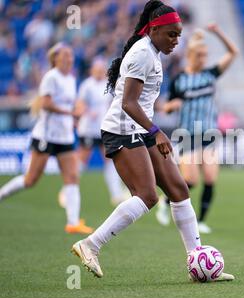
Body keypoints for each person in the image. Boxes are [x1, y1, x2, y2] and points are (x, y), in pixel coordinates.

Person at [70, 0, 234, 281]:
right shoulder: (143, 54)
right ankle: (90, 244)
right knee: (147, 196)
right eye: (171, 34)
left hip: (141, 129)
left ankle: (197, 264)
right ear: (154, 29)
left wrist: (151, 128)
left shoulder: (153, 51)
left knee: (179, 190)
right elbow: (128, 103)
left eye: (179, 34)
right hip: (123, 130)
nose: (176, 40)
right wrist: (156, 131)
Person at [0, 43, 94, 235]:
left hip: (65, 136)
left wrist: (74, 117)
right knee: (31, 180)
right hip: (46, 137)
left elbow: (68, 104)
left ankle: (73, 223)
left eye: (71, 55)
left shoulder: (70, 78)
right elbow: (47, 104)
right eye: (66, 55)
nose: (70, 58)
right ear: (56, 59)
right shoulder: (51, 77)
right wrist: (70, 113)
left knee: (72, 176)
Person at [156, 24, 239, 234]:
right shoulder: (179, 80)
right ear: (191, 55)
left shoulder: (211, 74)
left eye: (205, 55)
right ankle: (164, 203)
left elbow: (233, 52)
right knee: (190, 181)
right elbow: (164, 106)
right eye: (200, 55)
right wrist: (169, 106)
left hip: (209, 133)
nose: (204, 58)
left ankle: (201, 221)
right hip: (187, 135)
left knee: (210, 179)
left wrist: (218, 32)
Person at [75, 57, 129, 206]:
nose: (99, 72)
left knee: (110, 159)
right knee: (82, 158)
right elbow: (79, 105)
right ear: (92, 70)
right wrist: (87, 111)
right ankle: (69, 189)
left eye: (101, 70)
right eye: (97, 69)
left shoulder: (108, 85)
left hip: (104, 128)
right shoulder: (87, 85)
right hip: (88, 129)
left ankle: (116, 194)